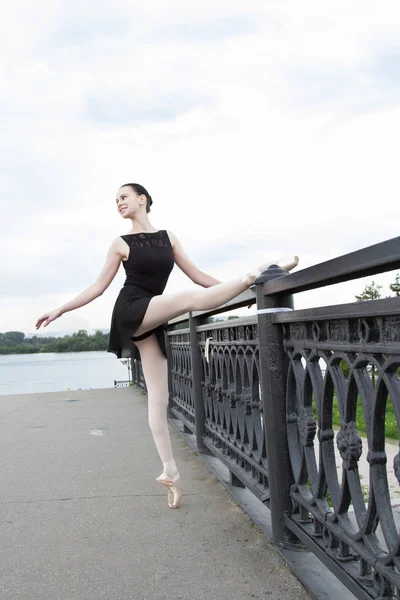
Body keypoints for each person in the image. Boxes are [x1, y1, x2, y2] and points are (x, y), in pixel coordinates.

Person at [35, 183, 299, 509]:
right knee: (186, 300)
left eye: (124, 197)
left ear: (142, 199)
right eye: (115, 200)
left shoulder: (169, 238)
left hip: (152, 317)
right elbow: (98, 288)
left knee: (160, 400)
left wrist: (235, 296)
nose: (118, 203)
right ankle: (254, 275)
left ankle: (169, 472)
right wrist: (61, 309)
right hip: (132, 309)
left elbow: (198, 275)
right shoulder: (119, 243)